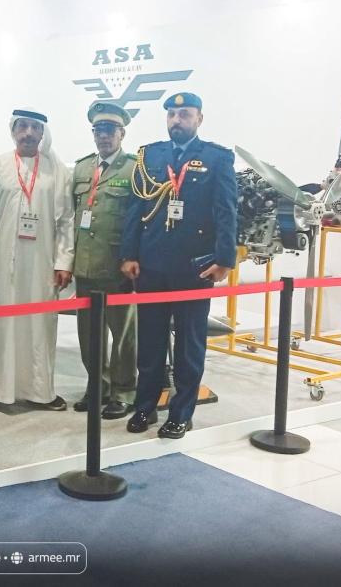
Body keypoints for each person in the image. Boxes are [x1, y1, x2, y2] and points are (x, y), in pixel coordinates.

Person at [120, 92, 237, 439]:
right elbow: (136, 208)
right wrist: (129, 254)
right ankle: (145, 408)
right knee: (150, 342)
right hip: (152, 264)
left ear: (199, 119)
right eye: (172, 114)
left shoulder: (216, 158)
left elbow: (226, 211)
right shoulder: (149, 156)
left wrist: (224, 259)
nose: (176, 120)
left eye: (184, 114)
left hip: (193, 266)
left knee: (189, 344)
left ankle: (181, 413)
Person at [0, 108, 75, 411]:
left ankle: (40, 391)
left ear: (42, 133)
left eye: (34, 127)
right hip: (1, 261)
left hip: (42, 264)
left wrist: (63, 263)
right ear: (13, 130)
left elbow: (67, 221)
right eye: (23, 126)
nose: (28, 133)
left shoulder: (57, 171)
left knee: (38, 324)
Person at [71, 102, 138, 419]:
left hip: (117, 266)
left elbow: (139, 220)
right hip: (85, 265)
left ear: (122, 133)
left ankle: (123, 391)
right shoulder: (82, 168)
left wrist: (132, 257)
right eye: (98, 130)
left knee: (123, 335)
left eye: (110, 130)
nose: (103, 136)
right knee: (89, 335)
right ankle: (97, 385)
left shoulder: (134, 169)